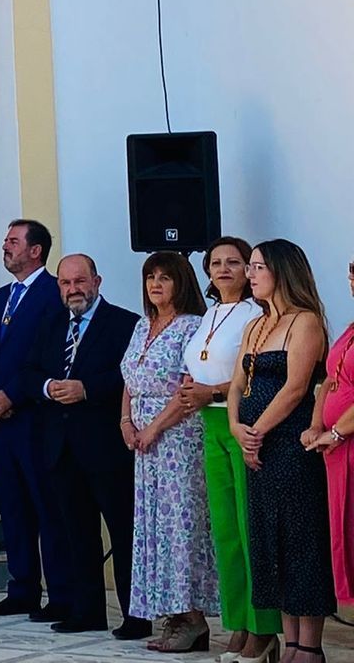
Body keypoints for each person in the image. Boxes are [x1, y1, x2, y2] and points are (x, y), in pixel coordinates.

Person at [22, 253, 145, 639]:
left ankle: (135, 616)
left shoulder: (125, 324)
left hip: (108, 447)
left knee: (124, 534)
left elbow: (130, 375)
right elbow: (28, 371)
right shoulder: (50, 323)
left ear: (97, 281)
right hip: (61, 447)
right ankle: (88, 610)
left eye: (80, 281)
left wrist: (86, 389)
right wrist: (47, 388)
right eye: (65, 283)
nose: (73, 289)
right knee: (77, 533)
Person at [231, 240, 336, 663]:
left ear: (281, 271)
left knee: (300, 540)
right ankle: (289, 642)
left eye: (257, 267)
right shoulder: (254, 326)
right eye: (250, 267)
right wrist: (239, 428)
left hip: (291, 445)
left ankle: (309, 647)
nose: (250, 274)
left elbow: (295, 389)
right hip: (256, 445)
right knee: (269, 541)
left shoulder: (305, 322)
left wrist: (256, 431)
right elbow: (237, 383)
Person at [176, 237, 279, 663]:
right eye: (216, 263)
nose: (224, 269)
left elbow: (252, 375)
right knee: (225, 531)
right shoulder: (212, 313)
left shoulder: (258, 315)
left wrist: (210, 391)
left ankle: (265, 627)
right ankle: (238, 621)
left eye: (234, 262)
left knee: (250, 525)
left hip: (242, 421)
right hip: (209, 423)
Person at [0, 218, 69, 620]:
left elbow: (49, 356)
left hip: (34, 419)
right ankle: (22, 588)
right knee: (12, 506)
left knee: (46, 506)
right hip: (0, 421)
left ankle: (60, 592)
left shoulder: (53, 294)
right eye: (5, 241)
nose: (5, 247)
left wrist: (13, 394)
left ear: (36, 251)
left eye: (13, 241)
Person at [119, 251, 217, 652]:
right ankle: (173, 615)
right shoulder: (143, 326)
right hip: (144, 441)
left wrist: (155, 427)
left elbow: (188, 388)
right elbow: (129, 377)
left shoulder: (192, 327)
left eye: (165, 277)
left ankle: (192, 616)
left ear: (182, 282)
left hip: (176, 438)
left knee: (181, 526)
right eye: (150, 277)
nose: (156, 284)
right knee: (154, 527)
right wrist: (126, 422)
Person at [308, 257, 354, 618]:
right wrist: (316, 426)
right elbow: (328, 381)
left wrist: (338, 430)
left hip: (347, 440)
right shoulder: (350, 329)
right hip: (335, 446)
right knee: (343, 532)